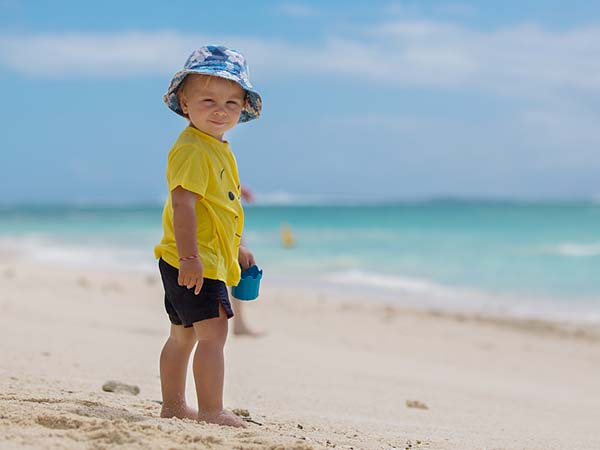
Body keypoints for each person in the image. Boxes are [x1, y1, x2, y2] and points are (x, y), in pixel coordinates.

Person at [154, 45, 261, 427]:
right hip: (195, 261)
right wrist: (190, 258)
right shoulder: (194, 151)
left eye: (232, 102)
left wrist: (239, 248)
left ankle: (173, 406)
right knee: (214, 334)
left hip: (202, 257)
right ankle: (211, 411)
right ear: (185, 103)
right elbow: (182, 205)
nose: (221, 109)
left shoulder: (216, 148)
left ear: (244, 107)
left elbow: (220, 209)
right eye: (209, 99)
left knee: (183, 336)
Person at [231, 185, 265, 337]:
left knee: (235, 274)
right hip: (225, 222)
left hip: (227, 219)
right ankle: (238, 324)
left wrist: (238, 187)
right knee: (236, 272)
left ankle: (238, 323)